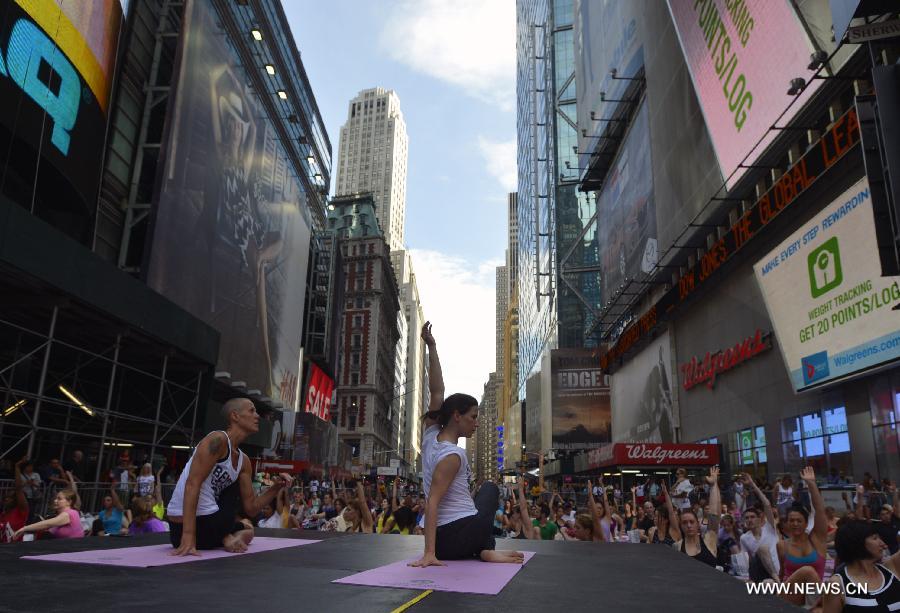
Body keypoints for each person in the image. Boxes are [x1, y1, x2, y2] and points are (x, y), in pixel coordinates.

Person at [409, 322, 524, 567]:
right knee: (491, 489)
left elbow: (437, 391)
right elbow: (432, 501)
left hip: (450, 539)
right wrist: (430, 553)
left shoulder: (430, 437)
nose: (477, 423)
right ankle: (486, 548)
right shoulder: (453, 455)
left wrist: (432, 346)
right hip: (454, 539)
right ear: (457, 416)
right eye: (473, 416)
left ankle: (484, 548)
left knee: (478, 498)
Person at [167, 397, 293, 555]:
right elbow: (192, 484)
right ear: (235, 416)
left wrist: (276, 487)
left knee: (249, 531)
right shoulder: (217, 440)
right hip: (185, 528)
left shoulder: (244, 461)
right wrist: (188, 537)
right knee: (246, 527)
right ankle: (226, 537)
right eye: (251, 410)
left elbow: (252, 508)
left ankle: (226, 537)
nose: (257, 416)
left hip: (209, 529)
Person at [775, 467, 829, 609]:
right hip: (791, 596)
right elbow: (782, 572)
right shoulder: (782, 545)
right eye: (791, 521)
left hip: (814, 596)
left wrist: (811, 484)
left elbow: (820, 511)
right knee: (807, 571)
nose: (795, 524)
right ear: (786, 523)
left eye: (799, 521)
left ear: (806, 523)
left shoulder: (817, 540)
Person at [823, 520, 900, 612]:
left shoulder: (891, 568)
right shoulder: (837, 584)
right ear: (857, 542)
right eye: (875, 538)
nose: (883, 545)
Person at [674, 466, 721, 567]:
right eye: (685, 523)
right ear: (681, 526)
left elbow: (714, 515)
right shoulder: (677, 546)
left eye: (692, 522)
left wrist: (713, 485)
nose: (689, 525)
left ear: (697, 524)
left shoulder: (709, 540)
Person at [739, 473, 780, 581]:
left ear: (759, 518)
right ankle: (777, 580)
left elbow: (766, 503)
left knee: (763, 548)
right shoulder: (744, 537)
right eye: (746, 518)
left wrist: (752, 484)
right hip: (762, 573)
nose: (749, 520)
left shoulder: (769, 528)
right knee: (761, 550)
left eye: (752, 517)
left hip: (779, 568)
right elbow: (746, 559)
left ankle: (777, 579)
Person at [14, 489, 83, 540]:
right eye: (56, 498)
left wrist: (24, 528)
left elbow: (46, 524)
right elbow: (45, 527)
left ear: (69, 502)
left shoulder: (69, 514)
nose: (55, 501)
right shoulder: (66, 514)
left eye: (59, 499)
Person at [853, 482, 900, 556]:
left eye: (887, 513)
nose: (885, 516)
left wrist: (894, 492)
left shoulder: (896, 519)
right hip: (889, 552)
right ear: (879, 517)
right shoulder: (877, 527)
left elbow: (896, 505)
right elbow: (859, 519)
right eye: (883, 514)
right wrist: (859, 496)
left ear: (890, 513)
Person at [1, 458, 29, 542]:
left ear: (16, 500)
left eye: (9, 497)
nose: (6, 499)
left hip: (15, 549)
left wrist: (17, 468)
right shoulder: (3, 514)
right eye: (5, 497)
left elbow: (18, 488)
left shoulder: (21, 511)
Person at [647, 482, 681, 546]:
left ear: (666, 520)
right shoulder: (652, 531)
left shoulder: (673, 531)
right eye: (655, 516)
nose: (655, 518)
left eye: (657, 516)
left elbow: (671, 512)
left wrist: (665, 493)